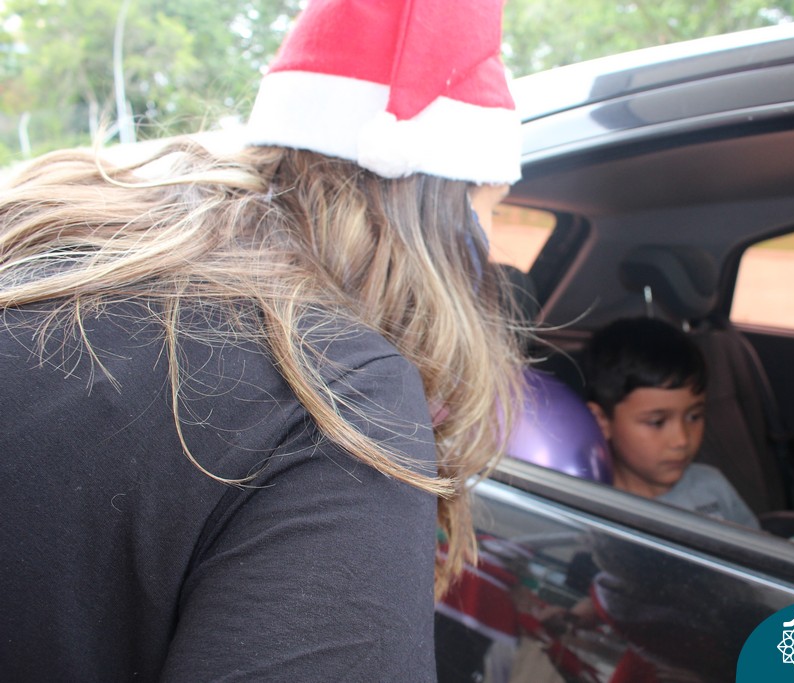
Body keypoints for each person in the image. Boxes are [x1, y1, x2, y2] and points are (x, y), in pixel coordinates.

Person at [0, 0, 524, 680]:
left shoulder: (51, 258)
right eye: (492, 208)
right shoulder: (338, 396)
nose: (497, 249)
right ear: (429, 214)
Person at [582, 316, 760, 528]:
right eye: (657, 422)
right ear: (601, 421)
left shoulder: (712, 485)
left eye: (694, 417)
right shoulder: (593, 511)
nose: (682, 440)